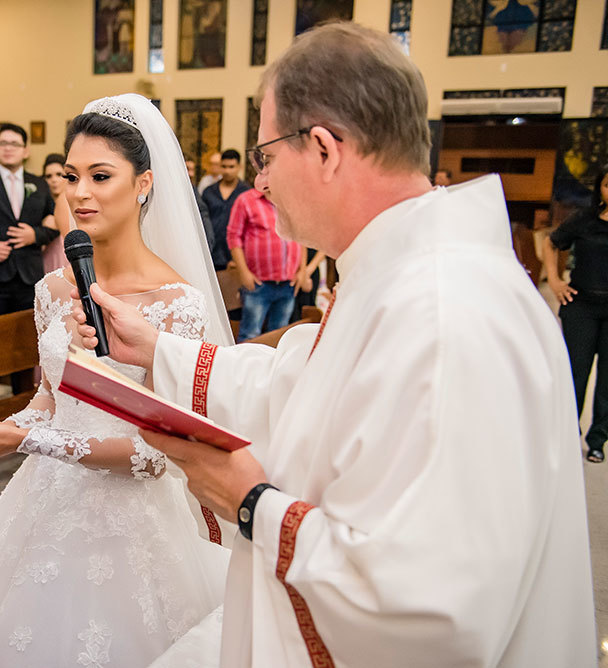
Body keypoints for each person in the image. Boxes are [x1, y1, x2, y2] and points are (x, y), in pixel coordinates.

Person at [76, 23, 594, 668]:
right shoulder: (402, 279)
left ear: (323, 148)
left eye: (264, 155)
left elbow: (427, 604)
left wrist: (252, 503)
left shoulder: (444, 313)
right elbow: (307, 384)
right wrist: (159, 350)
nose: (259, 183)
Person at [0, 95, 232, 666]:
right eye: (71, 176)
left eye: (100, 176)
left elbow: (157, 455)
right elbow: (49, 404)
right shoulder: (52, 290)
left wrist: (26, 442)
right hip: (45, 503)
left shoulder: (178, 305)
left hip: (132, 527)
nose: (79, 193)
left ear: (144, 183)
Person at [0, 123, 59, 403]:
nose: (8, 147)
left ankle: (25, 406)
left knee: (25, 347)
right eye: (3, 142)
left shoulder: (38, 183)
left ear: (26, 150)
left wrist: (34, 235)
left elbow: (55, 223)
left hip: (27, 278)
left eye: (14, 143)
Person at [544, 164, 608, 463]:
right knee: (574, 374)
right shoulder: (584, 219)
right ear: (601, 189)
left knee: (607, 381)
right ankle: (567, 435)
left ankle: (597, 440)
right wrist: (555, 282)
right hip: (581, 305)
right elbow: (551, 243)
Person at [226, 184, 303, 341]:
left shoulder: (291, 198)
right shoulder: (246, 200)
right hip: (259, 283)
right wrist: (244, 273)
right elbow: (233, 237)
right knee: (250, 335)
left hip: (288, 284)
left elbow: (299, 234)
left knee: (280, 336)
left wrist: (302, 270)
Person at [201, 150, 250, 270]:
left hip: (235, 257)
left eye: (231, 167)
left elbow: (249, 228)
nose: (227, 171)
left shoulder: (246, 193)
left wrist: (238, 259)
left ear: (240, 167)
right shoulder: (208, 192)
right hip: (210, 254)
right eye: (224, 166)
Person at [41, 153, 69, 272]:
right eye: (49, 176)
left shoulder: (79, 207)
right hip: (48, 263)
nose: (54, 180)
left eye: (59, 175)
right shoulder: (41, 209)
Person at [186, 155, 215, 253]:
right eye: (187, 169)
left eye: (193, 170)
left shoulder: (192, 189)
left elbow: (202, 213)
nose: (191, 174)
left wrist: (207, 243)